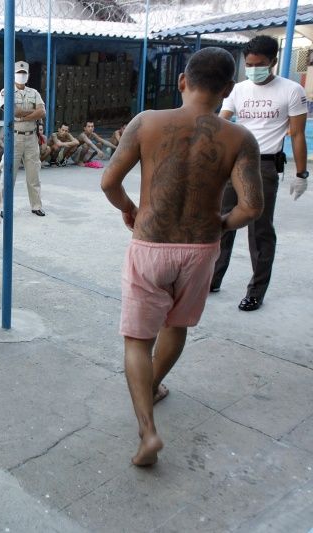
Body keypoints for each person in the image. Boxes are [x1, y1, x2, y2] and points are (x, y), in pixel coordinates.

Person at [101, 48, 263, 466]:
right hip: (200, 249)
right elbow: (251, 207)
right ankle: (153, 386)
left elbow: (108, 182)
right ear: (228, 89)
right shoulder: (240, 138)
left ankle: (148, 431)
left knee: (138, 340)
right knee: (176, 324)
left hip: (150, 244)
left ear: (182, 81)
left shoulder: (146, 122)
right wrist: (222, 225)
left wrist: (129, 209)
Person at [210, 35, 308, 311]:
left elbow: (297, 134)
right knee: (222, 221)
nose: (253, 69)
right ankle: (213, 278)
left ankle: (256, 291)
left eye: (260, 64)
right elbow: (221, 123)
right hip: (234, 161)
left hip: (265, 165)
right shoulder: (239, 90)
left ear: (273, 61)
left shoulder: (291, 90)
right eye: (249, 64)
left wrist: (301, 174)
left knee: (260, 229)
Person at [0, 61, 46, 217]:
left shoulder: (34, 92)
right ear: (13, 75)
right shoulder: (6, 91)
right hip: (14, 137)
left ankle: (36, 206)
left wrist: (23, 116)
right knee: (8, 175)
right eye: (19, 73)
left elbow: (42, 112)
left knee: (34, 175)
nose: (21, 76)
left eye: (24, 73)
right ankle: (4, 207)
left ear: (28, 75)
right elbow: (13, 111)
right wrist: (32, 112)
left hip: (31, 138)